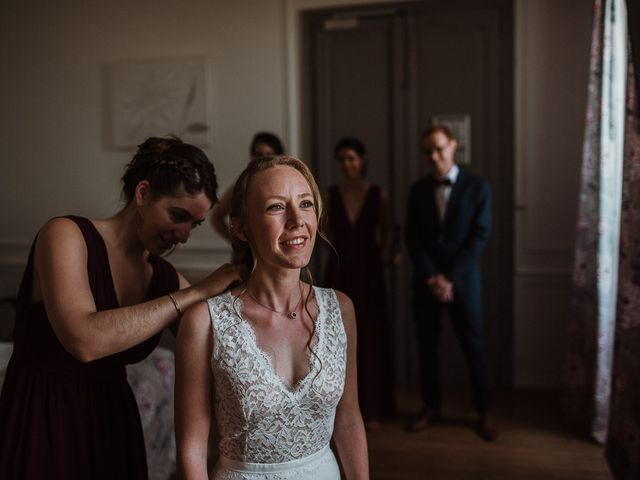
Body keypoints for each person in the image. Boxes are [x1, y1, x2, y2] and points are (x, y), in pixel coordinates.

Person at [0, 136, 241, 479]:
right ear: (142, 194)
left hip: (113, 427)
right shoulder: (65, 235)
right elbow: (85, 341)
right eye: (178, 215)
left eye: (195, 224)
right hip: (45, 418)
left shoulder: (162, 277)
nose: (185, 234)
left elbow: (225, 346)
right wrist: (196, 292)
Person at [176, 155, 369, 479]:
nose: (297, 220)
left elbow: (348, 421)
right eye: (276, 207)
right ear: (239, 227)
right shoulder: (205, 322)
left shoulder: (341, 309)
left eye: (305, 203)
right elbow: (192, 450)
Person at [405, 125, 497, 441]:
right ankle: (431, 407)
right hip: (426, 283)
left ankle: (486, 410)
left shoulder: (478, 187)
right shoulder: (417, 190)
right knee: (427, 347)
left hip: (464, 282)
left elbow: (480, 235)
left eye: (439, 148)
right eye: (428, 151)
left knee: (474, 345)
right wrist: (432, 276)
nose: (434, 156)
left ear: (453, 146)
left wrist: (450, 277)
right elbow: (413, 238)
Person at [323, 137, 396, 430]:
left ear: (362, 160)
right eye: (341, 159)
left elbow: (388, 234)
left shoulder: (379, 194)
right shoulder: (329, 195)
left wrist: (382, 260)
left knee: (370, 338)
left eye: (352, 158)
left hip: (369, 274)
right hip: (339, 272)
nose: (347, 164)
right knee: (338, 339)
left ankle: (374, 408)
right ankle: (337, 410)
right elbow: (324, 234)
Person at [210, 132, 285, 243]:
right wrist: (238, 242)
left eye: (269, 154)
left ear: (279, 157)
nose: (263, 159)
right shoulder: (242, 185)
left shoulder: (285, 186)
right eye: (258, 154)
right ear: (251, 156)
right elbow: (216, 217)